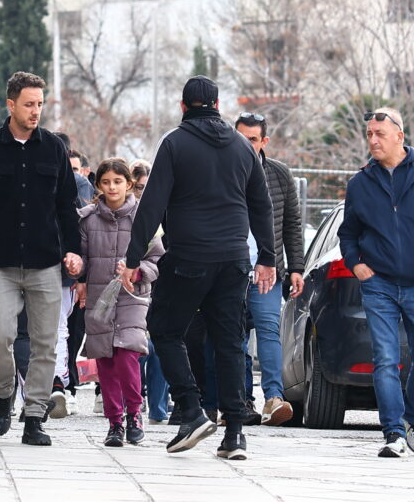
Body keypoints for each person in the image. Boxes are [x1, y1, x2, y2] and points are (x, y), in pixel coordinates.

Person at [120, 75, 274, 460]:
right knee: (228, 342)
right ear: (219, 106)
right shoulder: (243, 147)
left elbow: (152, 204)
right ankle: (235, 434)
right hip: (235, 259)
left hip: (189, 256)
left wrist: (133, 258)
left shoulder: (175, 142)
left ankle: (191, 409)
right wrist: (268, 257)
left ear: (184, 106)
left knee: (164, 328)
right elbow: (262, 204)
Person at [0, 71, 83, 447]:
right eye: (29, 104)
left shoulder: (54, 149)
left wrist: (74, 251)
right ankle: (3, 393)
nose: (36, 111)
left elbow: (67, 206)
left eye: (40, 104)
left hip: (46, 262)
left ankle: (34, 417)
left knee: (46, 344)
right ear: (10, 104)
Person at [337, 107, 414, 458]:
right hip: (378, 284)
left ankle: (413, 418)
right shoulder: (360, 183)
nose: (373, 140)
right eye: (369, 134)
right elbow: (348, 234)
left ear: (400, 136)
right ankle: (392, 432)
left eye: (380, 133)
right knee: (385, 359)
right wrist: (356, 264)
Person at [75, 157, 163, 447]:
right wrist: (78, 273)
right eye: (106, 182)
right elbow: (83, 259)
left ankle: (134, 413)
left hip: (133, 296)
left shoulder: (144, 217)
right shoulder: (87, 219)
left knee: (127, 354)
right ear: (98, 185)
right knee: (107, 360)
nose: (112, 187)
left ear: (128, 184)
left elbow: (157, 258)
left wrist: (139, 272)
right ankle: (115, 422)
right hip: (100, 297)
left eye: (118, 181)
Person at [234, 112, 305, 427]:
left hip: (268, 269)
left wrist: (296, 267)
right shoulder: (222, 170)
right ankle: (240, 399)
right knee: (234, 335)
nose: (246, 144)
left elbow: (292, 224)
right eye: (241, 137)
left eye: (252, 138)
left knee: (268, 330)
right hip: (231, 269)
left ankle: (274, 398)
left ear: (264, 141)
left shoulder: (279, 174)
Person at [130, 160, 170, 425]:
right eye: (139, 187)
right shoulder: (127, 213)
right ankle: (131, 401)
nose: (143, 193)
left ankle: (158, 407)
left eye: (148, 187)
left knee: (158, 348)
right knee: (135, 348)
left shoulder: (163, 211)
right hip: (131, 290)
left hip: (160, 286)